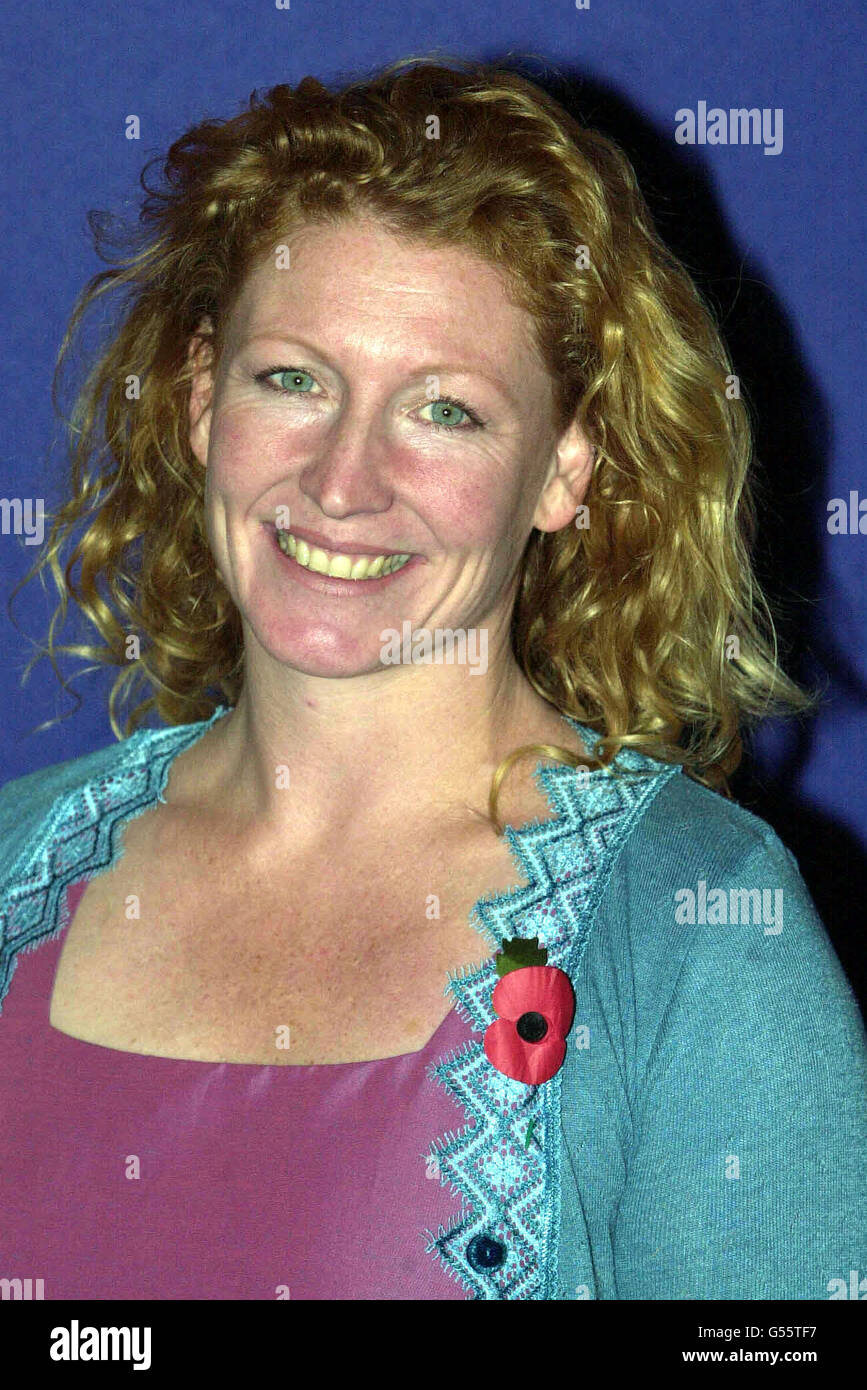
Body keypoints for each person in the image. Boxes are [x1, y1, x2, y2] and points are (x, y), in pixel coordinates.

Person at [0, 55, 864, 1302]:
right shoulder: (17, 859)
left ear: (565, 469)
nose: (342, 481)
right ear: (199, 402)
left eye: (444, 410)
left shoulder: (702, 930)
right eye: (292, 379)